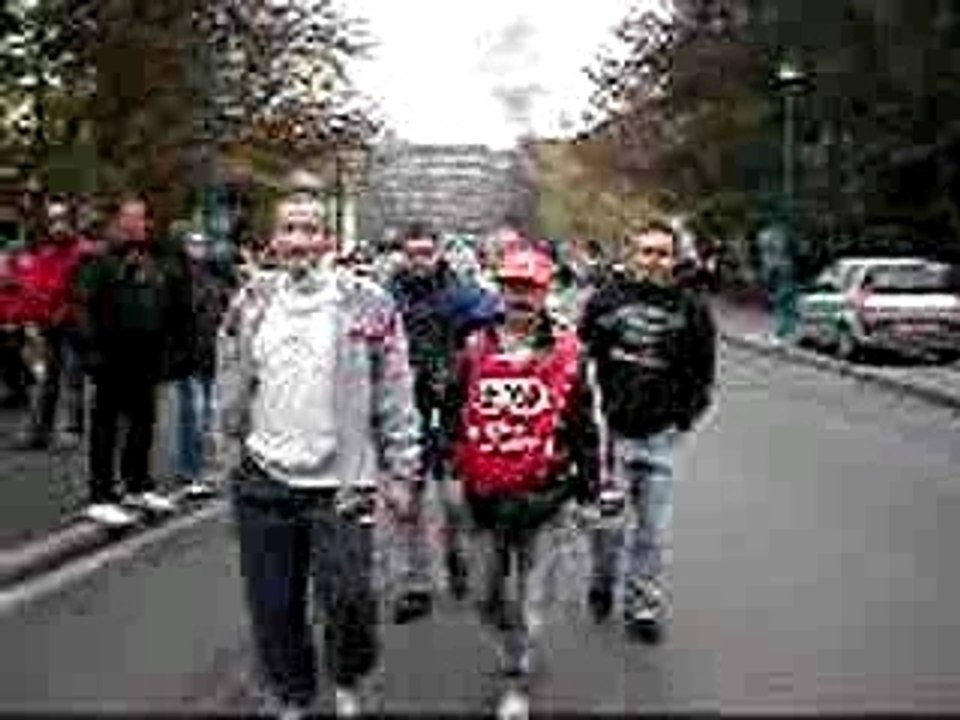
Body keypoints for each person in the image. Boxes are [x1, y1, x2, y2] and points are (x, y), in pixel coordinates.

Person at [215, 188, 425, 718]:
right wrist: (227, 453)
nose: (299, 241)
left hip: (343, 484)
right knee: (273, 607)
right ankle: (294, 696)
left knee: (350, 600)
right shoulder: (252, 300)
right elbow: (230, 377)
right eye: (289, 229)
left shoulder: (368, 302)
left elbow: (395, 390)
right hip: (263, 479)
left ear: (327, 239)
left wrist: (402, 469)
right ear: (274, 240)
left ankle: (348, 677)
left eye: (310, 229)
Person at [441, 247, 600, 720]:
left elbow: (583, 429)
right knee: (484, 596)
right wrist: (449, 470)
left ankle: (516, 679)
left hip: (545, 498)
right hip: (484, 498)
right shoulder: (473, 349)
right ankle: (512, 646)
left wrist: (589, 494)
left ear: (546, 292)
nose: (520, 297)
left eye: (530, 288)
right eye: (512, 287)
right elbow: (451, 415)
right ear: (499, 290)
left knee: (532, 603)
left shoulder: (571, 353)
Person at [579, 220, 717, 643]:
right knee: (608, 529)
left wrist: (683, 418)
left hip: (661, 439)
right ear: (631, 255)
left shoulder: (692, 309)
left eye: (662, 253)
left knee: (652, 532)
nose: (654, 260)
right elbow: (580, 359)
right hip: (611, 438)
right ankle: (602, 580)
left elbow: (702, 373)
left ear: (674, 259)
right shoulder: (604, 302)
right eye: (646, 251)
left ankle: (643, 606)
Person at [73, 196, 195, 527]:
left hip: (147, 353)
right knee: (106, 426)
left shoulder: (154, 259)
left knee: (143, 423)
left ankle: (137, 485)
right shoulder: (98, 260)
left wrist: (177, 349)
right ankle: (100, 494)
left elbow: (170, 303)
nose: (135, 224)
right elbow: (82, 306)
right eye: (129, 218)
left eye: (140, 218)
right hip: (110, 354)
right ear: (116, 222)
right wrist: (90, 351)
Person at [386, 223, 480, 604]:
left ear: (439, 252)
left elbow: (491, 320)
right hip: (407, 407)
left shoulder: (461, 293)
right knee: (408, 497)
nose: (420, 261)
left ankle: (456, 553)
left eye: (427, 252)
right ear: (403, 255)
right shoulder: (387, 296)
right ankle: (414, 582)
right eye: (413, 254)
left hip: (453, 405)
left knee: (455, 500)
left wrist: (462, 357)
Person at [14, 201, 93, 448]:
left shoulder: (83, 253)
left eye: (62, 221)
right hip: (50, 323)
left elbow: (80, 291)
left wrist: (59, 303)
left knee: (72, 378)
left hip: (73, 324)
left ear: (70, 223)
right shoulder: (47, 254)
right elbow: (36, 287)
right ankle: (40, 431)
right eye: (54, 221)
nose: (58, 226)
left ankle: (72, 430)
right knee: (47, 380)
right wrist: (39, 311)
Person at [170, 230, 231, 496]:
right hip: (189, 356)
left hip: (210, 355)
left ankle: (202, 470)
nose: (199, 248)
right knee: (192, 416)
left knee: (207, 417)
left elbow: (224, 314)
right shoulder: (178, 278)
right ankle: (190, 471)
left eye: (202, 243)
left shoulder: (214, 278)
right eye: (193, 243)